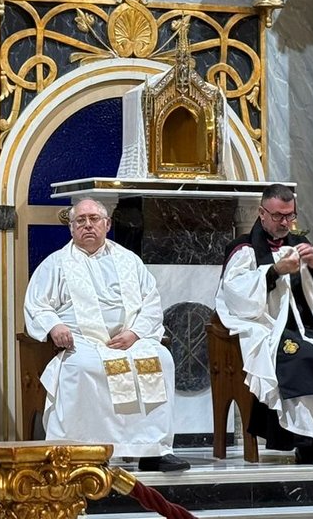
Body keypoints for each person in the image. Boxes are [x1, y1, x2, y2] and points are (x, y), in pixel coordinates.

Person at [24, 198, 189, 472]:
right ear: (71, 227)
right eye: (80, 220)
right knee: (83, 367)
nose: (88, 225)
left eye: (94, 219)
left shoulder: (129, 261)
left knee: (161, 359)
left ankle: (153, 449)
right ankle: (81, 450)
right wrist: (54, 326)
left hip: (128, 340)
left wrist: (135, 334)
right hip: (82, 342)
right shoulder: (56, 264)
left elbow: (151, 302)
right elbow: (37, 305)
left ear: (107, 224)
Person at [214, 185, 313, 465]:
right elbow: (235, 296)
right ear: (261, 214)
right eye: (277, 216)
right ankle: (306, 444)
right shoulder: (244, 249)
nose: (285, 223)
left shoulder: (298, 245)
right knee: (304, 359)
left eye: (290, 216)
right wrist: (273, 271)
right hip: (273, 327)